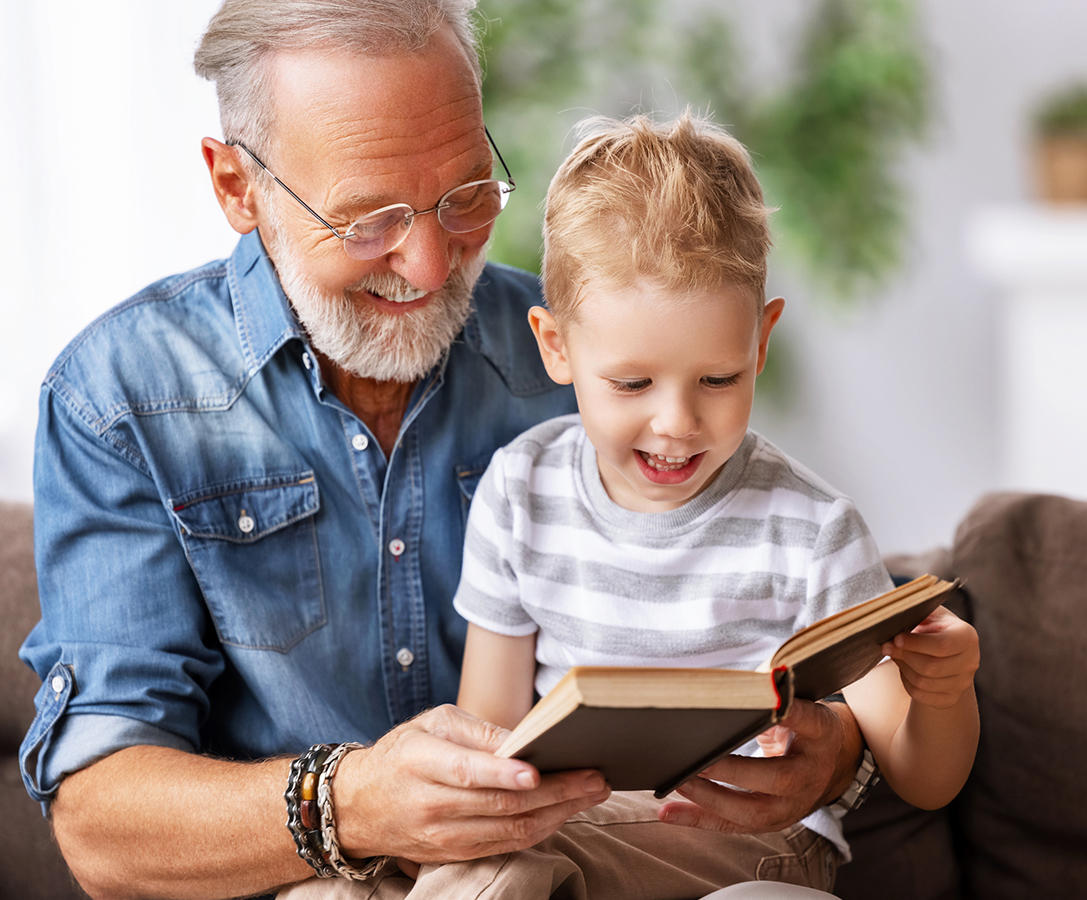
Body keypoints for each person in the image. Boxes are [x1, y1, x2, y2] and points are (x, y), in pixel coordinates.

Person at [17, 3, 885, 898]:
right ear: (238, 186)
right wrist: (350, 805)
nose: (432, 266)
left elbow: (777, 604)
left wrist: (836, 749)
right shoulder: (119, 398)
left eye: (467, 194)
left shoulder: (594, 361)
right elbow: (102, 823)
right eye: (367, 220)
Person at [286, 112, 981, 898]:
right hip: (564, 829)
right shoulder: (521, 492)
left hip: (745, 847)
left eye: (718, 380)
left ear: (760, 341)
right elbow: (495, 733)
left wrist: (943, 693)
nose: (678, 423)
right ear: (556, 346)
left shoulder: (812, 532)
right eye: (632, 384)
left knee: (509, 868)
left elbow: (924, 779)